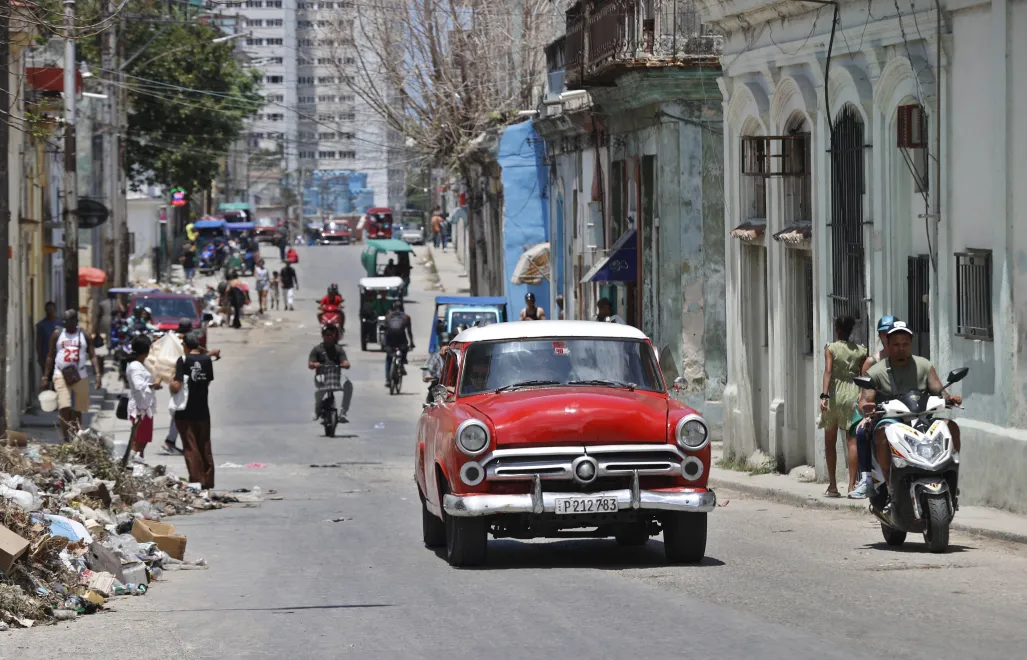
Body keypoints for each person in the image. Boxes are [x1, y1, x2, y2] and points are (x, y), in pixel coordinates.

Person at [859, 321, 962, 504]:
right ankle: (889, 484)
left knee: (950, 426)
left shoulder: (923, 365)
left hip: (923, 419)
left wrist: (949, 398)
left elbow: (938, 390)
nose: (901, 348)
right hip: (892, 421)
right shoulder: (876, 371)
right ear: (888, 345)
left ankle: (951, 479)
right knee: (882, 432)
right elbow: (865, 399)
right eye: (896, 344)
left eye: (905, 344)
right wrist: (867, 406)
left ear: (910, 344)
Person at [818, 316, 868, 498]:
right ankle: (851, 486)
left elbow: (828, 371)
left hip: (835, 396)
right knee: (852, 441)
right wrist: (862, 396)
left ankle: (832, 486)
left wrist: (824, 395)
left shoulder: (830, 348)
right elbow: (863, 375)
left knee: (830, 441)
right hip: (853, 394)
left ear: (837, 330)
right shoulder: (860, 351)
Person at [850, 315, 896, 494]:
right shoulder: (873, 362)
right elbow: (865, 393)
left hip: (907, 410)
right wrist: (868, 411)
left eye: (891, 333)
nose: (888, 338)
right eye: (884, 334)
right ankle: (866, 478)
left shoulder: (909, 360)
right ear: (880, 336)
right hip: (881, 412)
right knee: (862, 432)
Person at [42, 310, 102, 442]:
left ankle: (77, 437)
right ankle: (66, 439)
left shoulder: (84, 335)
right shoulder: (57, 334)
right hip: (61, 374)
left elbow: (92, 355)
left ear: (75, 321)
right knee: (64, 406)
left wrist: (97, 374)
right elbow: (50, 356)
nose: (64, 323)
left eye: (67, 321)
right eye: (63, 321)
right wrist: (46, 377)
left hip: (80, 375)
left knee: (78, 410)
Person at [162, 319, 221, 455]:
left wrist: (209, 352)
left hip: (179, 378)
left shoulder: (175, 340)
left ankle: (171, 441)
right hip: (181, 380)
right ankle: (170, 442)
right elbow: (195, 360)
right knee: (180, 411)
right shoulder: (181, 343)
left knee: (179, 410)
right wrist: (210, 354)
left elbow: (196, 355)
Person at [169, 332, 216, 490]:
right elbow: (207, 381)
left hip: (185, 411)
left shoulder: (183, 360)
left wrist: (170, 382)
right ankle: (208, 481)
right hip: (203, 409)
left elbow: (177, 386)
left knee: (190, 447)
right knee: (205, 446)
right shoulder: (207, 360)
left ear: (185, 346)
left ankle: (196, 480)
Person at [126, 335, 161, 465]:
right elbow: (138, 385)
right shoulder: (135, 366)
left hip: (145, 407)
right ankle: (131, 465)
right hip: (140, 409)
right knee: (138, 442)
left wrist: (153, 386)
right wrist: (154, 385)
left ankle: (138, 465)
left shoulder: (139, 364)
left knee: (142, 441)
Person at [308, 324, 353, 423]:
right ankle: (317, 410)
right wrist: (315, 364)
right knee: (319, 391)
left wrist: (345, 363)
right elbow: (310, 364)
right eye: (327, 335)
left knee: (348, 385)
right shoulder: (317, 350)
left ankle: (343, 412)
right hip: (321, 376)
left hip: (336, 375)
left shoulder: (338, 349)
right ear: (323, 336)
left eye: (331, 335)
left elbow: (345, 361)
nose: (329, 337)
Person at [383, 300, 414, 386]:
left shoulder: (388, 316)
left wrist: (385, 344)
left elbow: (385, 329)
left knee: (389, 358)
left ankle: (388, 379)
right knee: (405, 348)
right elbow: (409, 332)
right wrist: (412, 343)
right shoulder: (406, 317)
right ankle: (403, 362)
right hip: (401, 339)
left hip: (390, 339)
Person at [36, 302, 63, 383]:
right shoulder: (41, 325)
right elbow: (39, 342)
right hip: (46, 357)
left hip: (59, 357)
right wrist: (39, 357)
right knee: (47, 380)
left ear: (55, 310)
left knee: (58, 380)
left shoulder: (61, 323)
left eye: (52, 309)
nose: (50, 311)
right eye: (48, 309)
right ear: (45, 311)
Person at [422, 335, 450, 404]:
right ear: (440, 345)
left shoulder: (456, 356)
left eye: (447, 344)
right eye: (443, 344)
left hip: (451, 386)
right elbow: (427, 367)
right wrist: (427, 376)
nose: (445, 347)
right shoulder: (435, 357)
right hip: (437, 384)